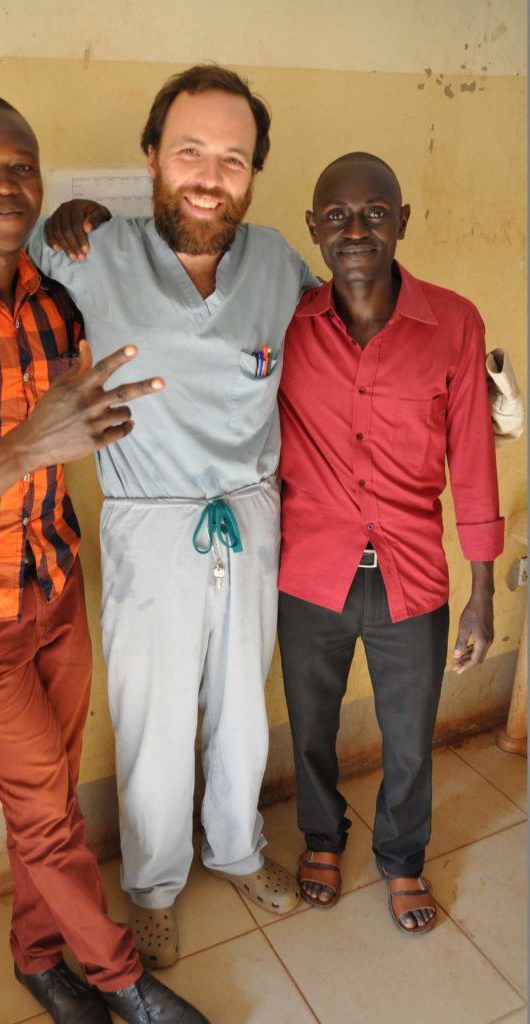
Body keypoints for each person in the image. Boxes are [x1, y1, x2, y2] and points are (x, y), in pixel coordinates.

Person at [0, 64, 313, 967]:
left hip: (254, 514)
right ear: (152, 158)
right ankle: (153, 885)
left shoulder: (279, 264)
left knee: (244, 709)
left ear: (255, 171)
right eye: (189, 151)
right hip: (148, 519)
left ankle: (238, 848)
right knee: (152, 718)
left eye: (233, 157)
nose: (210, 175)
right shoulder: (86, 252)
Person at [276, 152, 504, 934]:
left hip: (412, 574)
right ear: (314, 229)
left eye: (376, 213)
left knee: (411, 733)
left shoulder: (456, 324)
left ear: (402, 222)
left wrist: (483, 587)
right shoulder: (286, 322)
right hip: (311, 571)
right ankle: (321, 836)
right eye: (336, 216)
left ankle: (402, 859)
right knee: (310, 725)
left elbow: (472, 458)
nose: (356, 230)